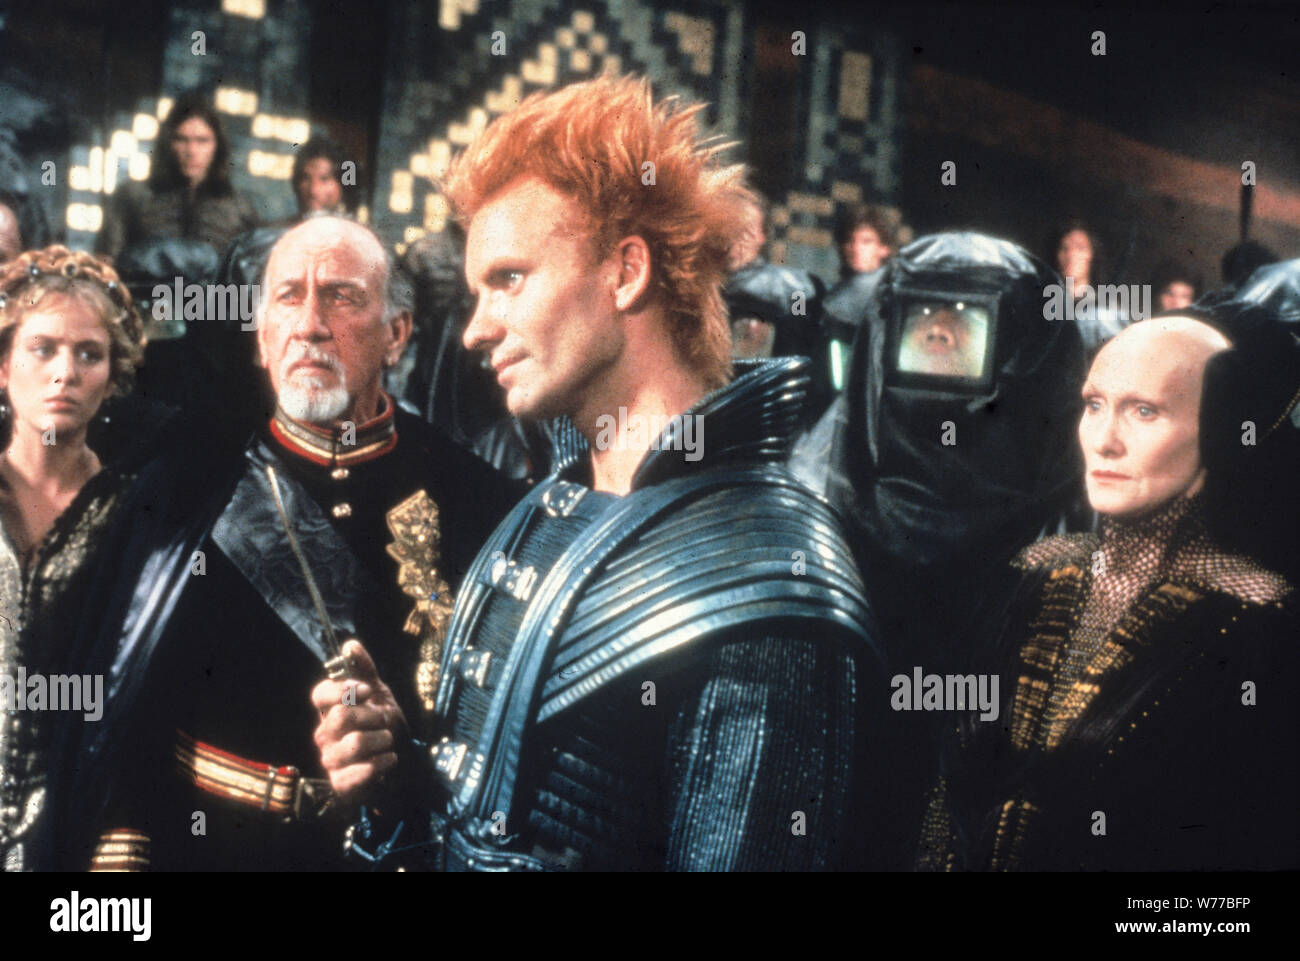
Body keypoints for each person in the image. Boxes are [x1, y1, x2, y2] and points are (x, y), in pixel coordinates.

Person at [311, 73, 882, 871]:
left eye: (509, 278)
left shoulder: (763, 573)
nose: (475, 330)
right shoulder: (550, 508)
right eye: (476, 291)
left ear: (625, 271)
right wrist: (401, 788)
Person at [63, 216, 519, 871]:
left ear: (397, 335)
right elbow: (121, 725)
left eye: (341, 296)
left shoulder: (476, 497)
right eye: (287, 296)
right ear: (260, 341)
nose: (310, 323)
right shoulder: (183, 485)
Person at [921, 312, 1298, 870]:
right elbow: (946, 793)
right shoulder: (1033, 572)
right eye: (1094, 404)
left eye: (1145, 411)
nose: (1104, 441)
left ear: (1219, 430)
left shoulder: (1259, 619)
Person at [788, 232, 1087, 866]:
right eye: (928, 330)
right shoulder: (812, 491)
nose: (944, 347)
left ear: (1025, 350)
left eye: (964, 331)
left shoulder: (1084, 520)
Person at [0, 246, 149, 870]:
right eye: (43, 348)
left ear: (112, 378)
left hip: (77, 829)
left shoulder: (138, 520)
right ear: (4, 367)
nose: (65, 371)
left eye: (89, 354)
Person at [96, 93, 257, 262]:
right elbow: (106, 265)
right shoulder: (133, 197)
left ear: (217, 146)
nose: (191, 151)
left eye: (202, 141)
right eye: (181, 139)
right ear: (168, 143)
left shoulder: (240, 210)